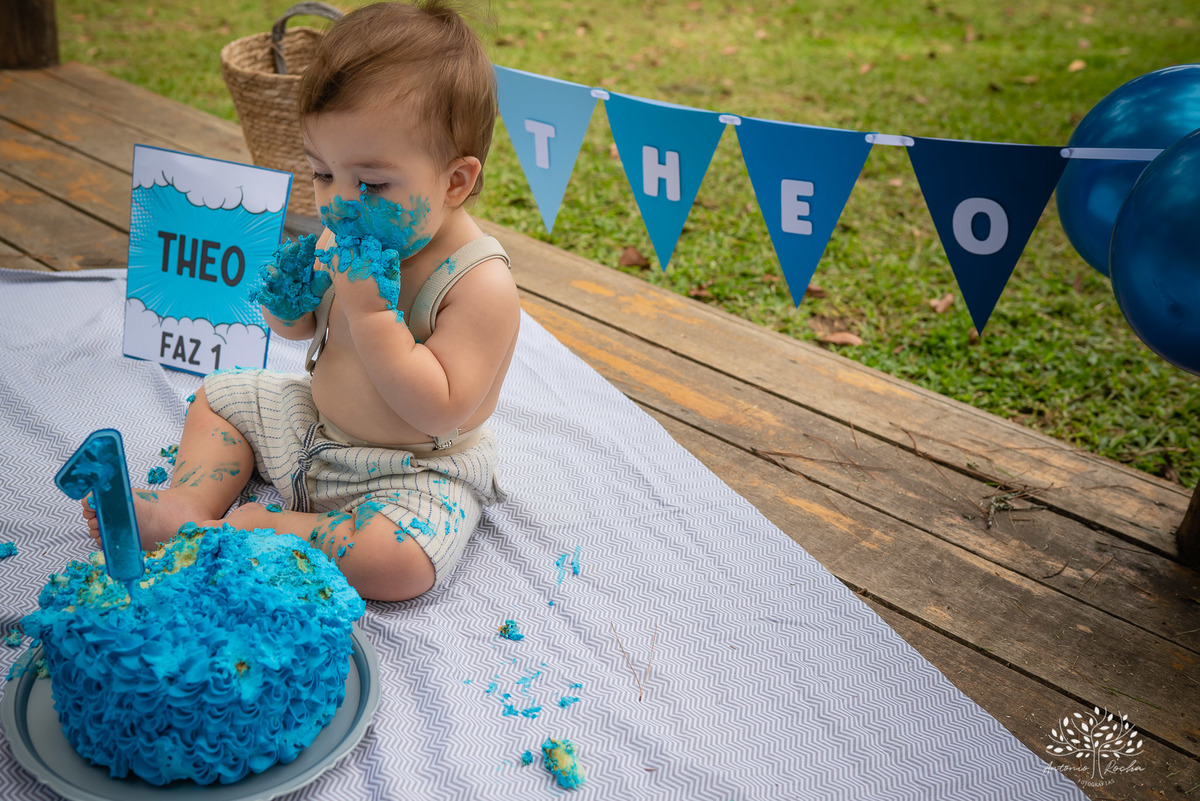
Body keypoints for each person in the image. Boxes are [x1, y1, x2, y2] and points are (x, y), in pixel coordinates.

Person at [83, 0, 520, 602]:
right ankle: (186, 502)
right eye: (322, 173)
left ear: (455, 181)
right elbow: (298, 330)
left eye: (371, 183)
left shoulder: (479, 284)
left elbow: (439, 410)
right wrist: (290, 299)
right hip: (315, 426)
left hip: (412, 469)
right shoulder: (344, 233)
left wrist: (372, 315)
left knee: (402, 560)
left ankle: (273, 531)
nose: (338, 202)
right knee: (221, 397)